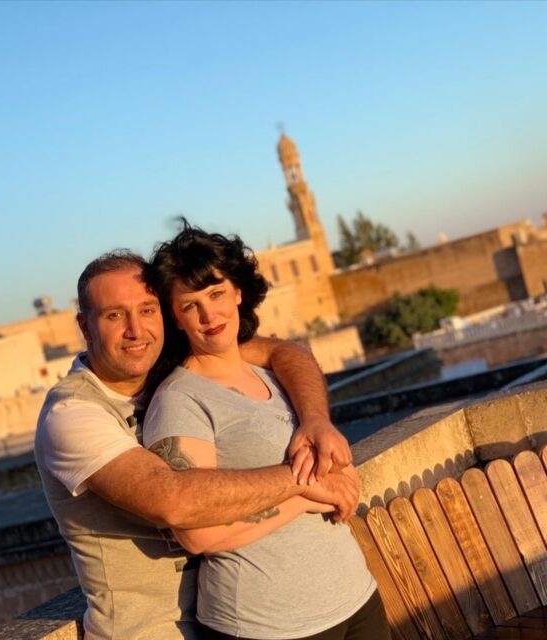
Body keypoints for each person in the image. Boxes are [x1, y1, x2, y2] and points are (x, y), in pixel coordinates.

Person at [35, 248, 361, 640]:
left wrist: (315, 420)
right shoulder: (71, 414)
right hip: (152, 631)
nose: (136, 330)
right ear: (85, 326)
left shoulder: (170, 364)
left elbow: (285, 351)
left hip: (218, 613)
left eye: (147, 310)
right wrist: (306, 480)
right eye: (114, 315)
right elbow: (173, 499)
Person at [142, 221, 390, 640]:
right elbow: (198, 533)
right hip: (268, 623)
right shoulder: (178, 402)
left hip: (353, 596)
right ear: (176, 319)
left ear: (238, 292)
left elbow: (337, 471)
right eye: (190, 306)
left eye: (216, 294)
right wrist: (308, 493)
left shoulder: (271, 375)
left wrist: (320, 474)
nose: (209, 315)